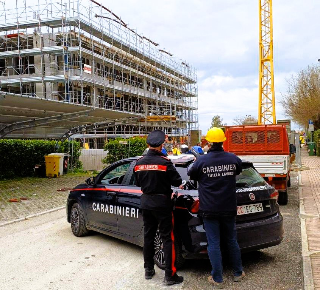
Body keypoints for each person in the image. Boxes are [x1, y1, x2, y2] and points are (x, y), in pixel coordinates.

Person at [188, 127, 245, 288]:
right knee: (231, 240)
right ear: (223, 141)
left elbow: (191, 173)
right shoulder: (233, 159)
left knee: (214, 243)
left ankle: (217, 278)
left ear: (209, 142)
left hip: (209, 209)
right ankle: (238, 272)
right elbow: (239, 170)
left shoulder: (201, 161)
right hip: (228, 207)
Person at [134, 129, 184, 286]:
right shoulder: (165, 163)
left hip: (146, 203)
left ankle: (148, 270)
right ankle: (170, 275)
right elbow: (177, 182)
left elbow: (137, 183)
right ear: (162, 144)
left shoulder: (139, 163)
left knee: (148, 236)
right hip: (162, 204)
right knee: (167, 238)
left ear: (148, 144)